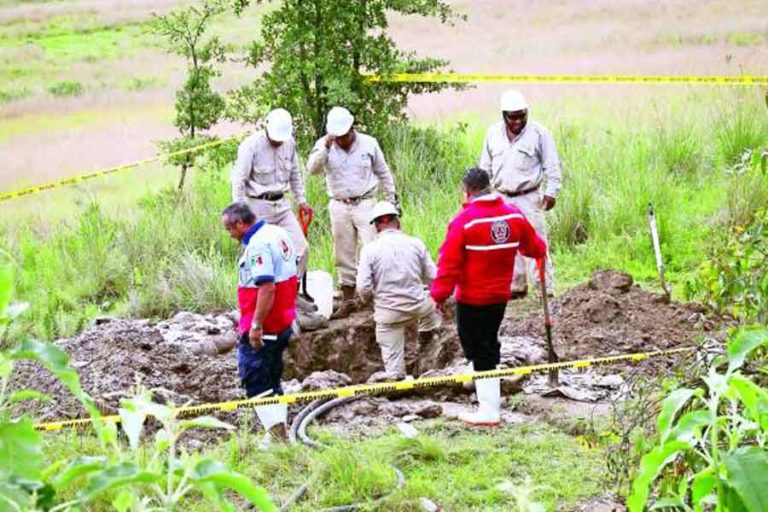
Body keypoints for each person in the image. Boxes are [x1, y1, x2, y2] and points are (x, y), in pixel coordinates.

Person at [430, 168, 546, 427]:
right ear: (489, 186)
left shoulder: (464, 222)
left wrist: (438, 295)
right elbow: (536, 247)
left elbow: (449, 265)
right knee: (488, 344)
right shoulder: (513, 215)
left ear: (467, 191)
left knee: (478, 349)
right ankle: (487, 401)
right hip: (500, 296)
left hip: (472, 298)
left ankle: (489, 411)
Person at [307, 106, 398, 318]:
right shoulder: (324, 145)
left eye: (344, 136)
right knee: (343, 251)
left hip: (365, 201)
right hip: (339, 203)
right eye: (337, 136)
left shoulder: (369, 143)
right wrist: (325, 148)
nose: (341, 140)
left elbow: (383, 171)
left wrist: (392, 198)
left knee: (374, 247)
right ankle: (348, 298)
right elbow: (312, 169)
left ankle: (379, 295)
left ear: (352, 129)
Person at [221, 202, 298, 448]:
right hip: (283, 318)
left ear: (241, 224)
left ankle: (276, 435)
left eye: (229, 229)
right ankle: (278, 431)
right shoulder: (278, 232)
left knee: (254, 377)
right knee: (272, 376)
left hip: (267, 324)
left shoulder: (258, 245)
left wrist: (256, 325)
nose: (229, 234)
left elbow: (266, 287)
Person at [478, 89, 561, 298]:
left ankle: (544, 287)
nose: (518, 121)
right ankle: (516, 286)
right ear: (504, 116)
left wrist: (551, 192)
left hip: (529, 196)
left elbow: (552, 166)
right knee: (505, 240)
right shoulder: (492, 134)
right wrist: (481, 196)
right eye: (513, 117)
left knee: (537, 242)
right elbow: (485, 167)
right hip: (501, 196)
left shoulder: (539, 133)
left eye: (521, 115)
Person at [231, 108, 315, 312]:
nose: (278, 142)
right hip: (258, 206)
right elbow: (239, 180)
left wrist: (301, 200)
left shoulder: (290, 144)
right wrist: (240, 211)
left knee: (300, 248)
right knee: (260, 255)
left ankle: (290, 295)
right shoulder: (250, 146)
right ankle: (257, 302)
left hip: (282, 205)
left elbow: (295, 173)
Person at [357, 201, 441, 380]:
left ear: (377, 227)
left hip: (389, 315)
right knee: (432, 316)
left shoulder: (369, 250)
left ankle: (397, 381)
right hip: (419, 307)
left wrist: (371, 301)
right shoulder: (415, 244)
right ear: (398, 222)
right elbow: (433, 276)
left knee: (393, 370)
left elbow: (363, 288)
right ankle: (428, 346)